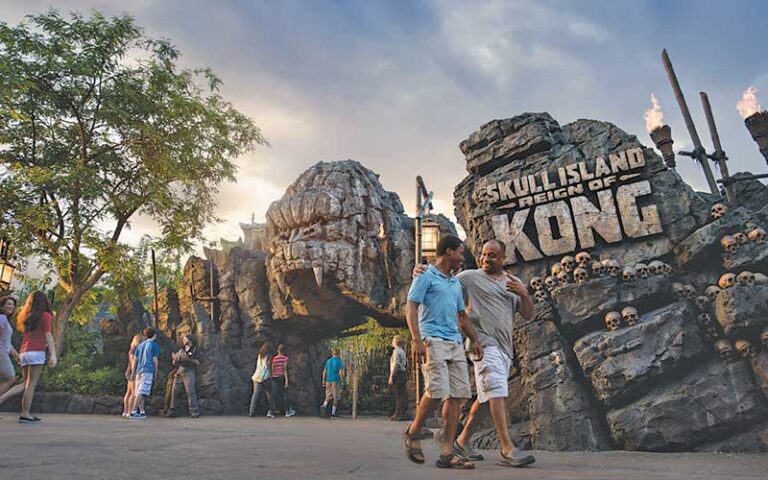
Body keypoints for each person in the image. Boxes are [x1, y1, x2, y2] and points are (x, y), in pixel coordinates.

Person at [403, 235, 483, 469]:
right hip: (432, 339)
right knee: (437, 390)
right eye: (460, 252)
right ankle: (414, 431)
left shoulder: (455, 283)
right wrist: (416, 339)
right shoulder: (425, 276)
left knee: (457, 395)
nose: (462, 257)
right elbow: (411, 306)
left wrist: (475, 339)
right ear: (448, 251)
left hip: (455, 342)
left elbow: (462, 316)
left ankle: (447, 453)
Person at [0, 291, 57, 423]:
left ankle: (1, 399)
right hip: (37, 352)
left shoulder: (26, 316)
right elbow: (48, 335)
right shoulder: (46, 315)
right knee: (31, 384)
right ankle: (25, 414)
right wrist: (53, 354)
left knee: (25, 383)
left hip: (24, 352)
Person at [167, 333, 201, 418]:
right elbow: (175, 363)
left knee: (190, 392)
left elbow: (197, 362)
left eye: (185, 339)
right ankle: (172, 410)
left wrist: (188, 359)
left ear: (189, 340)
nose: (183, 340)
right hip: (179, 371)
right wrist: (174, 360)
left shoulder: (195, 350)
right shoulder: (181, 350)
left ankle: (194, 412)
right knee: (174, 392)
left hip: (189, 371)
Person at [130, 327, 160, 419]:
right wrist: (156, 371)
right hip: (148, 370)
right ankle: (133, 411)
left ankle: (142, 411)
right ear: (154, 335)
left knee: (139, 391)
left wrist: (133, 372)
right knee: (142, 391)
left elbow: (135, 359)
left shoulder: (140, 345)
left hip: (139, 370)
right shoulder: (154, 345)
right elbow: (155, 360)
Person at [0, 296, 19, 398]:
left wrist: (17, 356)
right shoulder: (2, 318)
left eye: (13, 305)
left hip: (3, 352)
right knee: (10, 378)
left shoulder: (5, 320)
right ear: (2, 307)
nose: (11, 306)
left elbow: (7, 343)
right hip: (1, 353)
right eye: (8, 304)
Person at [121, 332, 144, 418]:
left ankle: (125, 411)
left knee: (128, 392)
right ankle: (130, 412)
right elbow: (134, 362)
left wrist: (128, 371)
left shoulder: (131, 349)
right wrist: (134, 373)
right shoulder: (136, 350)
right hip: (135, 372)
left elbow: (129, 363)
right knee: (134, 393)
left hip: (130, 371)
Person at [270, 344, 296, 418]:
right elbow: (285, 370)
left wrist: (272, 376)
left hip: (274, 377)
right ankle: (287, 411)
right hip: (281, 377)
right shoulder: (285, 359)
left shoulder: (274, 359)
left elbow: (272, 369)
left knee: (274, 394)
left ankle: (271, 411)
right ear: (284, 351)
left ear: (278, 350)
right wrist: (286, 380)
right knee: (284, 394)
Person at [249, 342, 273, 417]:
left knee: (255, 394)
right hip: (265, 377)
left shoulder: (260, 356)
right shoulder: (268, 356)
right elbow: (268, 366)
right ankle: (271, 410)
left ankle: (252, 411)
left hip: (256, 377)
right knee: (270, 394)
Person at [388, 335, 408, 421]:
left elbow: (396, 364)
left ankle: (398, 414)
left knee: (398, 394)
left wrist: (391, 376)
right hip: (402, 372)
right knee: (401, 394)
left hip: (398, 373)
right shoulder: (403, 351)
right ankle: (400, 413)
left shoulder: (396, 351)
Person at [321, 348, 344, 418]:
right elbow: (340, 373)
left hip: (328, 380)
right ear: (338, 353)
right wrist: (343, 380)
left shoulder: (328, 361)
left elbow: (324, 371)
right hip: (335, 380)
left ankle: (324, 405)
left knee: (328, 395)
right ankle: (333, 413)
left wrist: (323, 380)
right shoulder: (339, 361)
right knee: (335, 397)